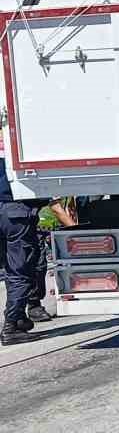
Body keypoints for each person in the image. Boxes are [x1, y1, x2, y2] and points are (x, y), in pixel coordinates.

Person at [0, 135, 41, 345]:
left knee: (10, 271)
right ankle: (11, 325)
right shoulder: (16, 148)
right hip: (14, 214)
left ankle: (19, 318)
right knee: (20, 272)